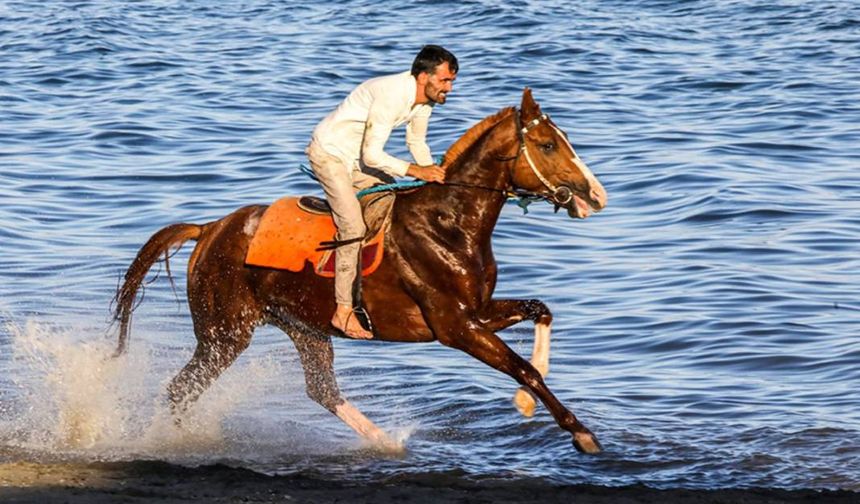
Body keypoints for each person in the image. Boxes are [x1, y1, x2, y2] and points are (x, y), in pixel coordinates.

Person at [305, 45, 458, 339]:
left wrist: (434, 178)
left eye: (451, 82)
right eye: (444, 81)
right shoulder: (392, 94)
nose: (449, 89)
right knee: (352, 225)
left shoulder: (425, 102)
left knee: (400, 198)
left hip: (357, 160)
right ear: (424, 77)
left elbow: (417, 142)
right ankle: (343, 311)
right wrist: (417, 171)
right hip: (331, 155)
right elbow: (374, 155)